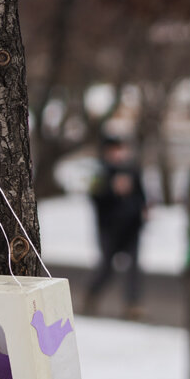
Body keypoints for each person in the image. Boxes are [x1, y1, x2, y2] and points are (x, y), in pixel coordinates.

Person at [84, 136, 147, 319]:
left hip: (132, 227)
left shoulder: (132, 170)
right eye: (115, 150)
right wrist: (112, 190)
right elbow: (94, 198)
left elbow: (140, 196)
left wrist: (142, 211)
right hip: (109, 229)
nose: (119, 154)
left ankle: (132, 304)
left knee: (133, 267)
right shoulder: (100, 173)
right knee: (107, 267)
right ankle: (92, 294)